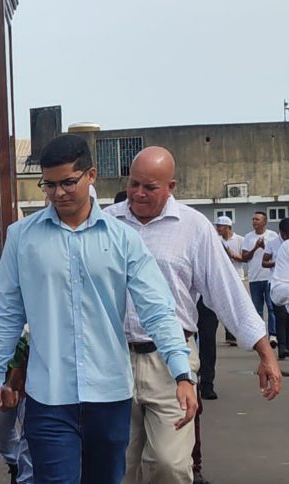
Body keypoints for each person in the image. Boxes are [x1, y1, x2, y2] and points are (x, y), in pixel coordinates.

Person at [0, 134, 193, 484]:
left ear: (90, 175)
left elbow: (157, 309)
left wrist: (181, 373)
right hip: (49, 397)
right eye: (48, 185)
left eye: (68, 182)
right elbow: (7, 310)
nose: (58, 193)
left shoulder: (123, 239)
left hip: (109, 395)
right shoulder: (22, 238)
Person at [105, 146, 280, 484]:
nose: (139, 194)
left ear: (171, 186)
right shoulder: (106, 223)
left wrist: (265, 353)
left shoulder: (194, 228)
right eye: (134, 184)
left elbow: (227, 292)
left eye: (150, 187)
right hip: (112, 361)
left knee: (169, 465)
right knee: (116, 467)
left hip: (171, 364)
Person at [241, 211, 279, 346]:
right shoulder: (248, 237)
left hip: (269, 278)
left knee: (271, 307)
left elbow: (277, 256)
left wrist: (265, 247)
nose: (254, 222)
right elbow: (244, 258)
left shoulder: (273, 236)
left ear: (265, 221)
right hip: (254, 278)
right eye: (253, 219)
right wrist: (256, 247)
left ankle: (273, 335)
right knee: (257, 309)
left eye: (257, 219)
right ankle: (260, 336)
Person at [216, 215, 245, 345]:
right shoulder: (216, 240)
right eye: (217, 226)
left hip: (237, 276)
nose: (218, 229)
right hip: (222, 277)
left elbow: (244, 258)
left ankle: (237, 333)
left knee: (237, 305)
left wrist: (231, 254)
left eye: (220, 226)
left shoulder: (239, 240)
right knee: (224, 306)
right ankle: (230, 334)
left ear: (228, 227)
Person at [263, 218, 289, 358]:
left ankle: (285, 346)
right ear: (283, 234)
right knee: (280, 317)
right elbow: (264, 262)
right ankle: (282, 348)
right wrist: (276, 263)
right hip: (276, 284)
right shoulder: (273, 243)